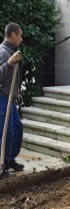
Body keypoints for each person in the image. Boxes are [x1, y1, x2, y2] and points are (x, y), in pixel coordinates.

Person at [0, 23, 24, 178]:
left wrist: (17, 92)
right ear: (13, 35)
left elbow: (11, 78)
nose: (21, 39)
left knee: (17, 129)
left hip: (11, 98)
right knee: (5, 133)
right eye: (20, 35)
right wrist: (9, 62)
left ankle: (9, 159)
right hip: (2, 99)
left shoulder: (11, 51)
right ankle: (1, 166)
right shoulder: (3, 52)